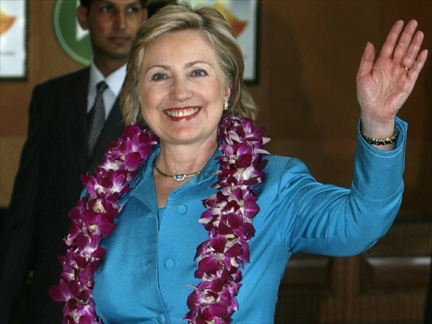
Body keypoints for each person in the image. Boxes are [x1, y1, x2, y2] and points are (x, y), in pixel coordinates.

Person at [49, 4, 428, 324]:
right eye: (160, 76)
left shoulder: (275, 186)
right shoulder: (103, 196)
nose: (180, 92)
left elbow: (361, 224)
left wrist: (378, 122)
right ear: (139, 93)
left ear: (226, 89)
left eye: (198, 72)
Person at [0, 1, 149, 323]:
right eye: (108, 8)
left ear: (145, 17)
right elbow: (25, 214)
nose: (121, 22)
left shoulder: (158, 101)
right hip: (51, 300)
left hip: (125, 304)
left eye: (133, 9)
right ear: (84, 16)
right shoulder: (50, 98)